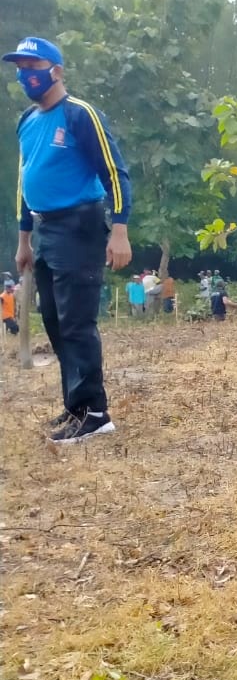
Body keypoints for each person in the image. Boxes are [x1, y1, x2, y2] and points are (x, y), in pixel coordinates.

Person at [7, 35, 130, 442]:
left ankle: (96, 413)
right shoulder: (27, 121)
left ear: (55, 71)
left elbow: (115, 172)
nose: (26, 75)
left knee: (77, 322)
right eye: (20, 68)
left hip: (80, 224)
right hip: (45, 229)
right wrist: (24, 239)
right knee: (56, 322)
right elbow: (26, 181)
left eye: (33, 67)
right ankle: (74, 406)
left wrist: (119, 230)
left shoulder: (79, 114)